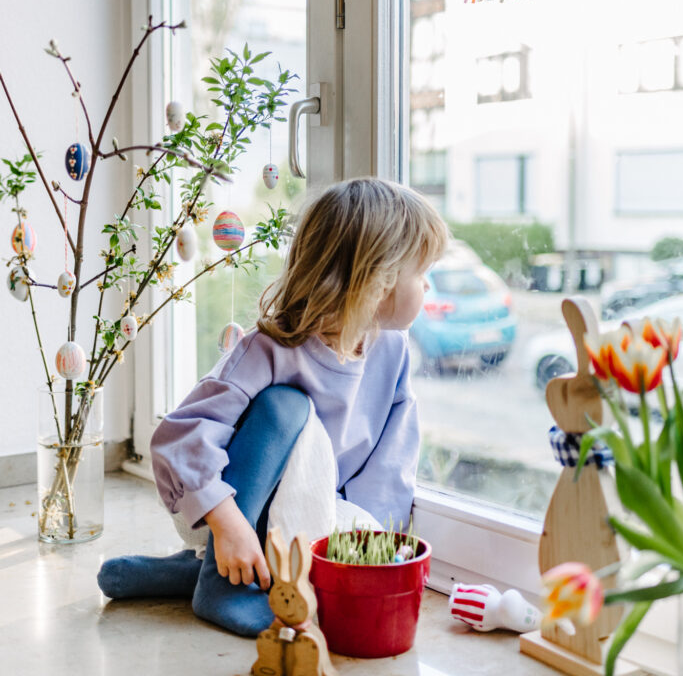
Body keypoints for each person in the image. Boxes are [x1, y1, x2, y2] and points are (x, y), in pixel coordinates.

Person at [97, 177, 448, 636]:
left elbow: (390, 464)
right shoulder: (270, 349)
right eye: (420, 275)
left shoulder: (393, 353)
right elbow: (179, 439)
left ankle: (198, 574)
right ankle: (225, 583)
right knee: (285, 407)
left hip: (311, 520)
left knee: (329, 564)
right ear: (377, 282)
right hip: (225, 512)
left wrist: (366, 547)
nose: (427, 286)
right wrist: (229, 526)